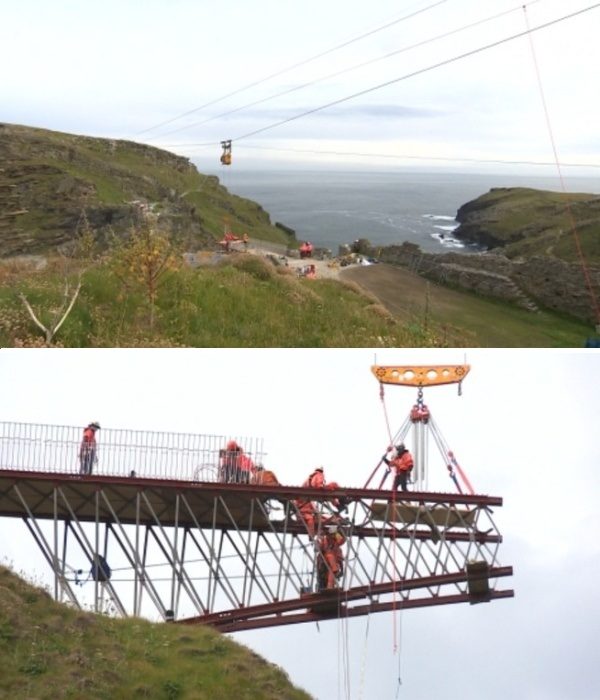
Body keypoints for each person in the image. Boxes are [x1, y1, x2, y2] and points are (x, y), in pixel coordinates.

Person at [317, 524, 346, 591]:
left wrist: (342, 570)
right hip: (325, 560)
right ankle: (334, 570)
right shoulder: (324, 540)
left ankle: (330, 586)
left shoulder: (336, 544)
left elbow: (341, 541)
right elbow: (320, 548)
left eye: (334, 535)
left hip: (332, 564)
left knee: (331, 574)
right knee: (330, 557)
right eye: (332, 534)